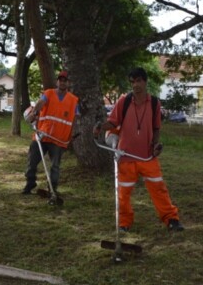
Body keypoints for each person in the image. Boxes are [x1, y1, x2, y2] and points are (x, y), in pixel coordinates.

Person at [93, 67, 184, 232]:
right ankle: (124, 223)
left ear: (145, 82)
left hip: (147, 157)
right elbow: (113, 122)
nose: (136, 85)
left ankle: (171, 219)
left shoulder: (155, 103)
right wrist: (100, 126)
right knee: (123, 193)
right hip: (125, 156)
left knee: (159, 189)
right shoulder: (124, 101)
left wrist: (156, 145)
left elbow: (156, 128)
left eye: (139, 81)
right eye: (133, 82)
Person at [23, 70, 80, 194]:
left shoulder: (74, 100)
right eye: (60, 80)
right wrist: (33, 113)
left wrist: (72, 136)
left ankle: (52, 189)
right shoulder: (48, 94)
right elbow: (40, 103)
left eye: (65, 81)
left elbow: (75, 119)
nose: (62, 82)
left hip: (59, 139)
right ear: (57, 81)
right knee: (32, 161)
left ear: (69, 83)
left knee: (55, 166)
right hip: (42, 135)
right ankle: (30, 183)